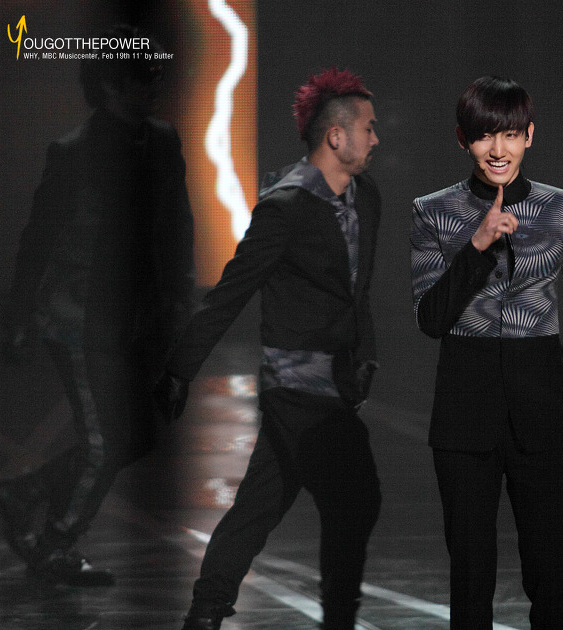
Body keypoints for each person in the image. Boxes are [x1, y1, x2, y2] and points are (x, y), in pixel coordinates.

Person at [154, 67, 382, 630]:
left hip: (337, 382)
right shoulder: (286, 207)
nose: (376, 139)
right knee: (355, 498)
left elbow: (357, 291)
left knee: (259, 504)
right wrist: (180, 368)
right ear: (336, 136)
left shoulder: (368, 199)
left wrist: (365, 356)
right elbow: (232, 291)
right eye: (368, 128)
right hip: (296, 385)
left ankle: (205, 611)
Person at [0, 25, 195, 587]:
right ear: (110, 85)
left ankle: (24, 493)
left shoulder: (163, 141)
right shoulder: (73, 153)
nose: (155, 84)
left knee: (139, 434)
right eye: (143, 75)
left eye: (156, 73)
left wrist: (181, 298)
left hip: (135, 318)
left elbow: (176, 226)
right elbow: (38, 238)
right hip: (77, 317)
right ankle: (56, 541)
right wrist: (18, 318)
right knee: (107, 441)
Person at [409, 75, 563, 630]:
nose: (498, 149)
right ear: (462, 138)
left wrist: (556, 389)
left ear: (529, 136)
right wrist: (476, 245)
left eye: (511, 135)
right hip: (463, 415)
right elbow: (430, 319)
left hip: (541, 412)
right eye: (484, 136)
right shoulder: (433, 211)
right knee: (470, 578)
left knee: (550, 574)